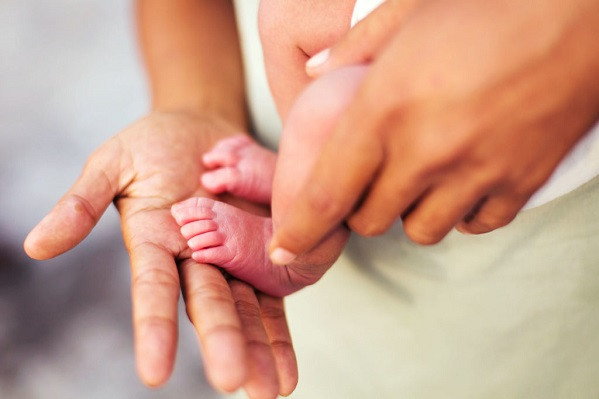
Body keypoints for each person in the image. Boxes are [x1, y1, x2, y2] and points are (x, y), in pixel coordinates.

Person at [24, 0, 599, 398]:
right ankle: (294, 207)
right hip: (342, 329)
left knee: (343, 112)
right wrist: (198, 102)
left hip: (521, 85)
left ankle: (297, 241)